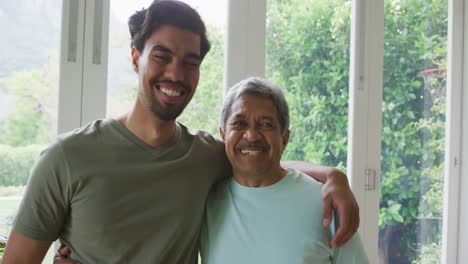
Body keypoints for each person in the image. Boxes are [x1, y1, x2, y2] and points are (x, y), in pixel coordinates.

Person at [3, 1, 359, 263]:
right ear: (134, 58)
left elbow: (259, 157)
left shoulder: (203, 155)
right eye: (162, 56)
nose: (176, 73)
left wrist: (332, 175)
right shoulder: (67, 157)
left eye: (190, 62)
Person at [200, 77, 368, 263]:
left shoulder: (327, 203)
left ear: (284, 138)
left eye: (266, 124)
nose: (252, 135)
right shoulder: (205, 200)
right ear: (223, 135)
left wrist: (335, 176)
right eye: (239, 123)